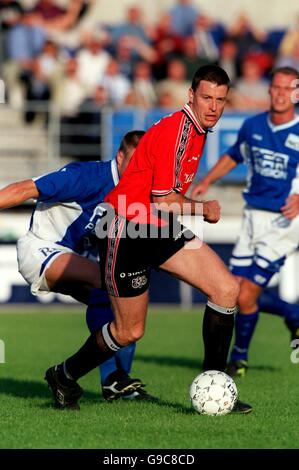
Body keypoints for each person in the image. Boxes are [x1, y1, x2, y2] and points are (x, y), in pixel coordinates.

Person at [44, 64, 252, 413]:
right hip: (125, 230)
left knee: (226, 289)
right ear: (191, 96)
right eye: (206, 98)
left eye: (220, 100)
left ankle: (215, 386)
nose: (213, 106)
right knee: (128, 331)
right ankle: (63, 376)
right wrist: (204, 209)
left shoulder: (196, 129)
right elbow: (164, 199)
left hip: (153, 226)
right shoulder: (179, 132)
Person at [0, 130, 152, 401]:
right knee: (109, 283)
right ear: (119, 157)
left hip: (78, 259)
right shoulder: (87, 177)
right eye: (135, 161)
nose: (140, 169)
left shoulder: (138, 191)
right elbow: (25, 189)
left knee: (125, 302)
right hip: (41, 249)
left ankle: (114, 383)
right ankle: (109, 378)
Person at [191, 66, 299, 377]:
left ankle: (239, 357)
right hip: (252, 217)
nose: (280, 94)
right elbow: (233, 155)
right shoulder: (253, 126)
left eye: (286, 89)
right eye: (275, 87)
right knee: (234, 291)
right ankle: (292, 313)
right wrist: (207, 180)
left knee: (247, 292)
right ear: (269, 90)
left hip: (284, 222)